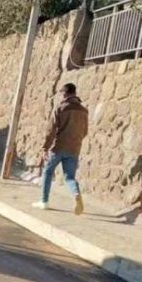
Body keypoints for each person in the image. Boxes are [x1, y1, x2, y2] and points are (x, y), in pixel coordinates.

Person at [35, 83, 89, 214]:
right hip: (74, 148)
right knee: (70, 177)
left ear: (65, 93)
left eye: (62, 93)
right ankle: (76, 194)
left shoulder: (60, 108)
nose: (62, 95)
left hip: (59, 146)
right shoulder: (84, 110)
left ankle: (44, 201)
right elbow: (85, 131)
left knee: (48, 172)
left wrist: (45, 148)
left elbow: (51, 130)